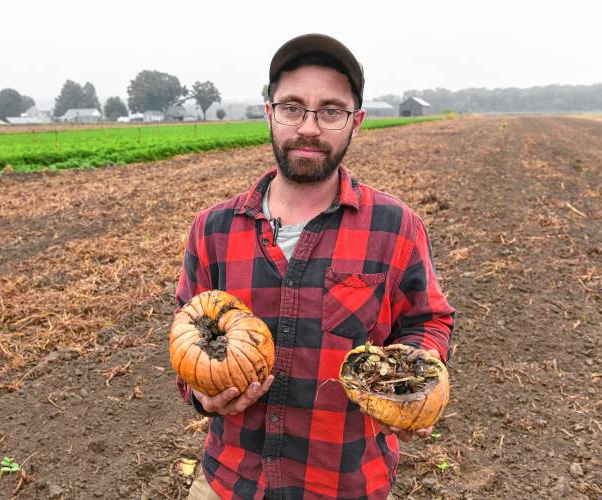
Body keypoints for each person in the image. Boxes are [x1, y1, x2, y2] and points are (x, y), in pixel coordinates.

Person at [174, 33, 455, 500]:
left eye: (330, 111)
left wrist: (414, 382)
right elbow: (186, 337)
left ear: (356, 122)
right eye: (292, 107)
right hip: (228, 483)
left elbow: (428, 320)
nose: (309, 127)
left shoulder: (396, 228)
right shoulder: (212, 230)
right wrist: (200, 394)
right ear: (269, 113)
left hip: (346, 485)